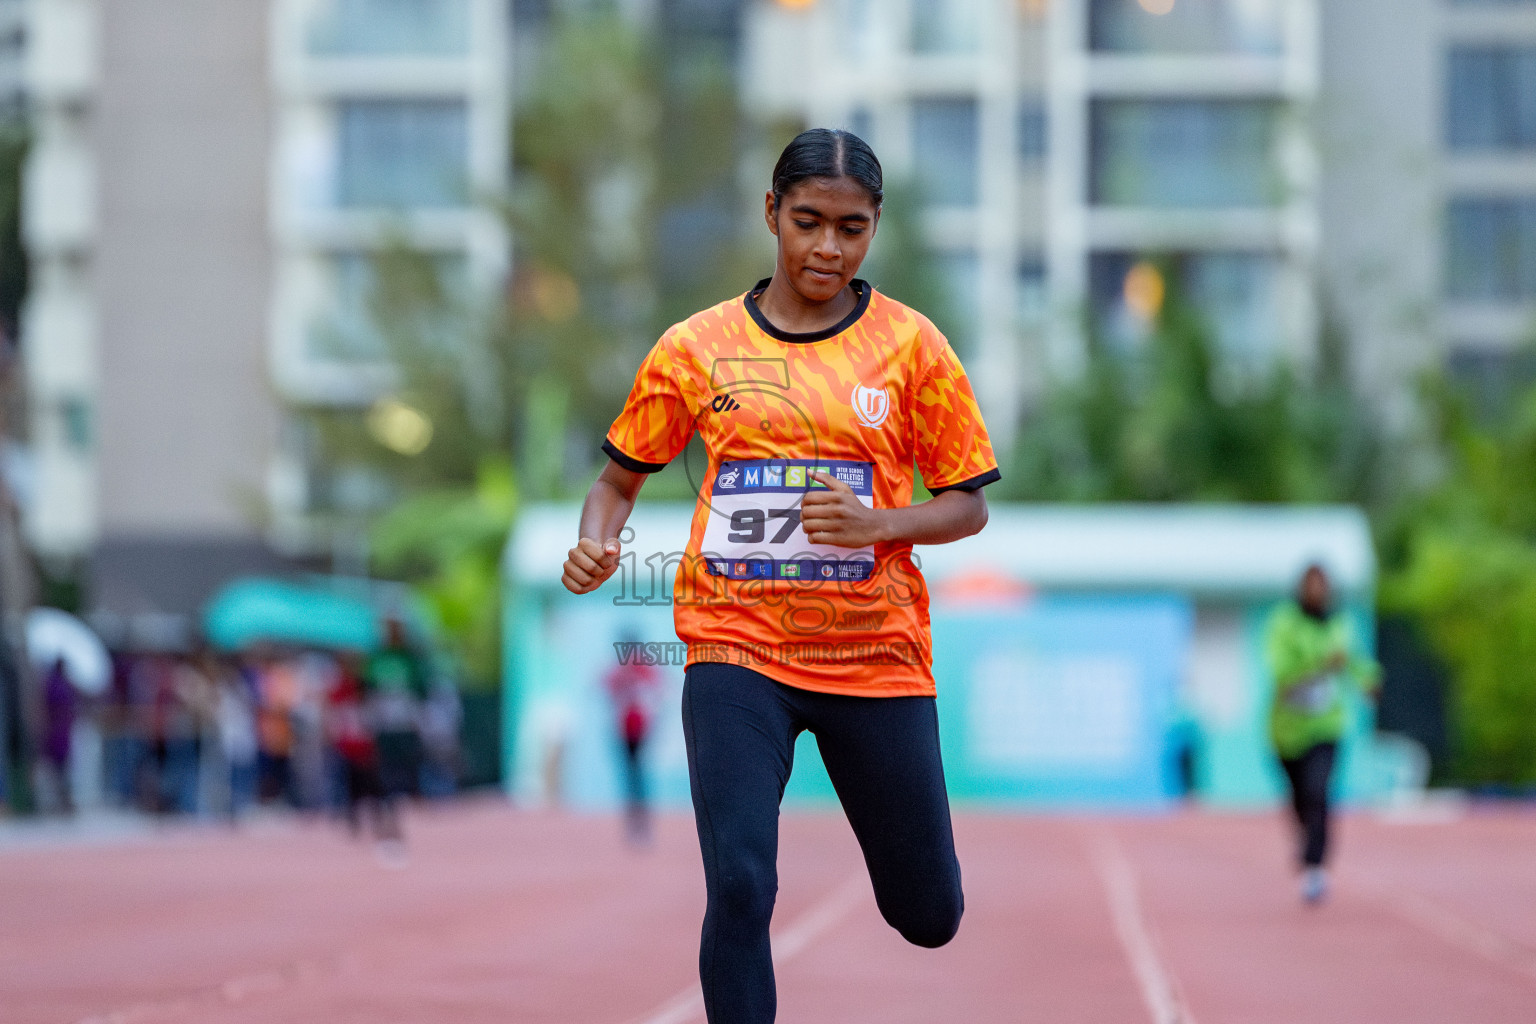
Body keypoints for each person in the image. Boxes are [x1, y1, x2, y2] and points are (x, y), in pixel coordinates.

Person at [562, 128, 998, 1024]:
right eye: (807, 222)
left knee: (929, 914)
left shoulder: (913, 349)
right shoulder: (695, 347)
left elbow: (967, 505)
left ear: (876, 228)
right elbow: (615, 484)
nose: (827, 248)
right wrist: (596, 541)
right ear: (772, 214)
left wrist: (880, 523)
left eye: (851, 227)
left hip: (873, 656)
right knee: (741, 884)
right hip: (736, 649)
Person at [1264, 563, 1381, 904]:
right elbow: (1280, 673)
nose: (1317, 591)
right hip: (1286, 729)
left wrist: (1368, 681)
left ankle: (1315, 867)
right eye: (1311, 584)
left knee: (1319, 792)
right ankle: (1307, 842)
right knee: (1300, 797)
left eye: (1323, 585)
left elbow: (1355, 661)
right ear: (1300, 588)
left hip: (1326, 725)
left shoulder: (1339, 624)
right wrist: (1319, 666)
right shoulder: (1284, 623)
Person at [604, 633, 662, 844]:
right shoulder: (625, 669)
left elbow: (657, 692)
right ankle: (635, 825)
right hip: (625, 730)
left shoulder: (640, 669)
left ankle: (640, 825)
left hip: (638, 730)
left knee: (636, 779)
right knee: (633, 779)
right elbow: (605, 687)